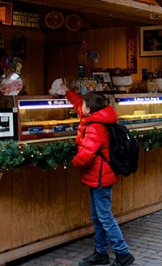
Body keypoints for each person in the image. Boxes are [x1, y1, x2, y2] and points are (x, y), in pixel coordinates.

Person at [61, 86, 135, 266]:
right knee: (98, 216)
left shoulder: (94, 126)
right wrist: (66, 91)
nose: (81, 107)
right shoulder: (94, 117)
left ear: (89, 110)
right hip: (98, 176)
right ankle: (101, 252)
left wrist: (74, 162)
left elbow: (87, 154)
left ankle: (123, 253)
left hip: (101, 177)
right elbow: (80, 104)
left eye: (84, 105)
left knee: (104, 216)